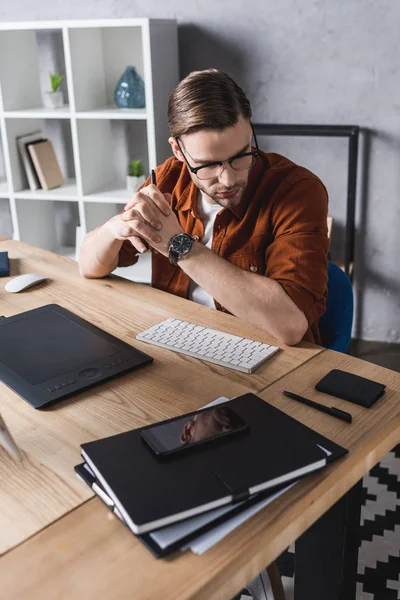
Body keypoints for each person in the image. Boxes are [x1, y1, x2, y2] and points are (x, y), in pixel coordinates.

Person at [78, 69, 329, 346]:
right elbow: (88, 267)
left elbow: (290, 326)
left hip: (268, 354)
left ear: (250, 129)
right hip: (180, 343)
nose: (229, 179)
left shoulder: (298, 190)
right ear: (178, 151)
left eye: (241, 155)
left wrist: (178, 245)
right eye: (209, 165)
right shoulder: (167, 180)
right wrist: (115, 228)